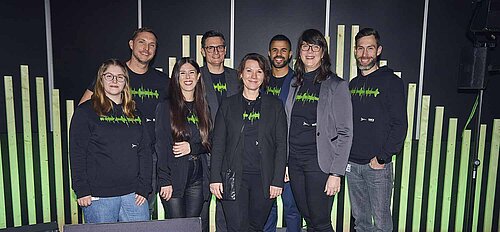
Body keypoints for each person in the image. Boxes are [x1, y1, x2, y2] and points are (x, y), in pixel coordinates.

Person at [79, 27, 169, 216]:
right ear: (131, 44)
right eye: (142, 42)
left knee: (144, 210)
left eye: (152, 44)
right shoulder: (114, 71)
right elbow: (84, 116)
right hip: (104, 165)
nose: (146, 48)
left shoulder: (162, 81)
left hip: (147, 158)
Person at [210, 53, 287, 232]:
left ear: (265, 76)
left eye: (259, 72)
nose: (253, 76)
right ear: (240, 74)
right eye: (249, 71)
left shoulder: (275, 105)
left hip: (264, 179)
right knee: (237, 227)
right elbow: (219, 143)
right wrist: (215, 178)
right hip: (233, 178)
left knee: (255, 227)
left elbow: (281, 145)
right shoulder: (228, 105)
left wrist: (277, 180)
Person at [285, 29, 353, 232]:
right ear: (299, 51)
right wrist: (286, 162)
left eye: (315, 46)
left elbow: (345, 132)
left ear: (323, 53)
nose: (310, 51)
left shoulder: (336, 85)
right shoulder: (294, 83)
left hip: (320, 162)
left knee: (321, 221)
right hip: (295, 160)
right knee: (308, 217)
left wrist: (336, 173)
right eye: (305, 46)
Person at [70, 59, 152, 223]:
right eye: (109, 76)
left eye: (120, 77)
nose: (115, 81)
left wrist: (144, 187)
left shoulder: (135, 113)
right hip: (98, 196)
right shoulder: (85, 112)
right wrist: (82, 189)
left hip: (134, 196)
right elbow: (77, 152)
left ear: (125, 82)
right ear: (101, 79)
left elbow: (145, 152)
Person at [347, 27, 407, 232]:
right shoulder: (352, 84)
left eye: (370, 48)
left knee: (381, 224)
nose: (365, 54)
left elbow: (400, 124)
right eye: (360, 48)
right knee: (361, 222)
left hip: (377, 167)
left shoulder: (391, 82)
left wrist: (382, 158)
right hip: (352, 165)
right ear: (355, 51)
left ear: (379, 50)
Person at [155, 57, 212, 223]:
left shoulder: (203, 107)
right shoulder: (166, 107)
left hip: (197, 177)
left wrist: (192, 148)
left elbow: (210, 142)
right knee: (177, 226)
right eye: (183, 73)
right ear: (176, 78)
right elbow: (161, 145)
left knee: (193, 226)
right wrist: (164, 180)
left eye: (191, 73)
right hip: (173, 176)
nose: (187, 77)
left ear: (198, 76)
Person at [199, 30, 240, 232]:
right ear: (203, 51)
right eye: (210, 47)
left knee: (228, 206)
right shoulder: (194, 77)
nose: (216, 51)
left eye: (220, 47)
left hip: (232, 152)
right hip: (203, 151)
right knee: (202, 206)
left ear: (225, 50)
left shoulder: (237, 77)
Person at [264, 34, 301, 232]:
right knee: (266, 208)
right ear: (269, 53)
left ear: (291, 54)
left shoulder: (299, 82)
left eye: (283, 50)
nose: (279, 54)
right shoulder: (260, 80)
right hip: (264, 156)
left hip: (291, 155)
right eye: (275, 50)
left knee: (292, 208)